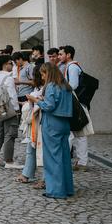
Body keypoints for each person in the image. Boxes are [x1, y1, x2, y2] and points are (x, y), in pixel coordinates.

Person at [27, 63, 75, 199]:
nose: (42, 77)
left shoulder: (51, 86)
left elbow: (49, 106)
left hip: (52, 123)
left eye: (43, 74)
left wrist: (35, 100)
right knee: (64, 157)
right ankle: (67, 188)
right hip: (65, 123)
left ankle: (56, 190)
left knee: (52, 158)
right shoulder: (66, 86)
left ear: (49, 73)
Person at [0, 55, 22, 169]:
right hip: (9, 109)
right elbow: (12, 96)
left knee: (0, 133)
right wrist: (17, 109)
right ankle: (9, 161)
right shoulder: (8, 78)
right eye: (10, 63)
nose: (12, 65)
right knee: (10, 134)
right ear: (5, 64)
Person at [59, 45, 87, 171]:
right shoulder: (70, 67)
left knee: (75, 132)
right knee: (75, 132)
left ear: (68, 55)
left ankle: (79, 161)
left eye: (61, 54)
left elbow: (73, 85)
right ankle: (80, 161)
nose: (59, 56)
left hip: (75, 103)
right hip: (74, 102)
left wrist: (60, 90)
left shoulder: (72, 67)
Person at [17, 64, 44, 185]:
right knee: (32, 147)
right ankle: (27, 174)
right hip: (36, 120)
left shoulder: (47, 88)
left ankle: (42, 179)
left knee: (38, 149)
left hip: (40, 120)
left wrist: (33, 101)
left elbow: (46, 104)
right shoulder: (41, 87)